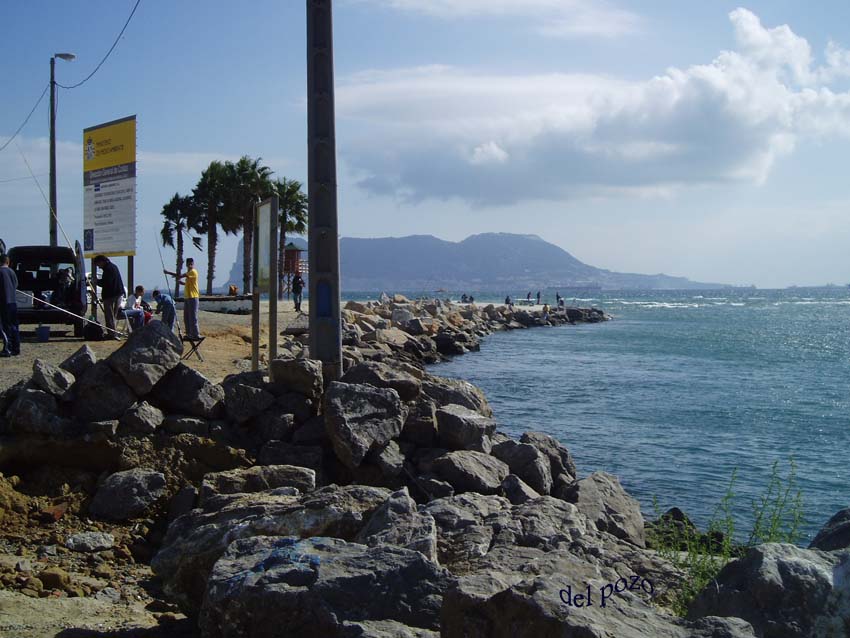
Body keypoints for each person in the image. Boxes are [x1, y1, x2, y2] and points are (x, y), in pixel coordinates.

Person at [164, 257, 201, 339]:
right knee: (186, 317)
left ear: (193, 264)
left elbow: (180, 275)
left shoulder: (193, 272)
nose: (190, 265)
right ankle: (189, 333)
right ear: (187, 264)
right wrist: (181, 283)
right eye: (188, 264)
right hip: (187, 298)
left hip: (193, 297)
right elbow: (188, 283)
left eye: (191, 264)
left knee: (193, 316)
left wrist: (168, 272)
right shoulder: (189, 273)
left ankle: (196, 334)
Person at [93, 255, 125, 340]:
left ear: (102, 261)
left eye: (98, 264)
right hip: (117, 294)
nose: (99, 267)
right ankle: (113, 333)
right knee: (112, 315)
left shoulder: (109, 269)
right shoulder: (113, 267)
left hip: (111, 295)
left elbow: (106, 283)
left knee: (109, 315)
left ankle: (112, 334)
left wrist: (96, 281)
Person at [0, 254, 20, 357]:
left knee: (5, 327)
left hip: (4, 302)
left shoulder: (1, 272)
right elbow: (16, 285)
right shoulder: (12, 272)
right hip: (13, 302)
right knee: (14, 326)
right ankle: (16, 348)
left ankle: (7, 348)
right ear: (8, 262)